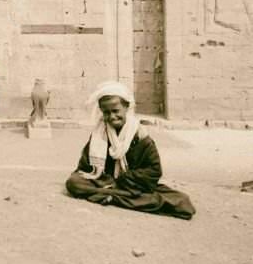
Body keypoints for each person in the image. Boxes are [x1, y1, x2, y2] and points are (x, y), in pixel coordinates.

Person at [65, 81, 195, 220]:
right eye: (106, 112)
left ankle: (112, 196)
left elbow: (154, 171)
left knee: (181, 201)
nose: (112, 117)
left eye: (115, 111)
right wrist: (104, 179)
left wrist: (121, 180)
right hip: (106, 183)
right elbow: (85, 167)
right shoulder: (99, 134)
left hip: (130, 185)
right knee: (74, 183)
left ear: (126, 107)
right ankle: (116, 195)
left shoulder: (140, 136)